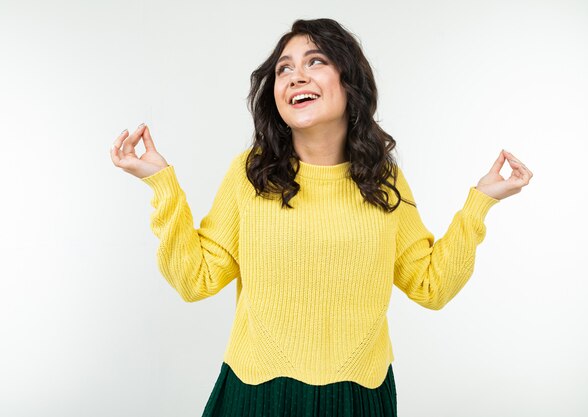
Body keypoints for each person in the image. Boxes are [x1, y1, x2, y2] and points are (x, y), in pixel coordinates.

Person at [110, 17, 532, 417]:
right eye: (284, 69)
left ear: (350, 82)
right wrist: (161, 184)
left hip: (358, 394)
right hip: (258, 392)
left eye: (316, 62)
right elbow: (194, 279)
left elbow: (430, 286)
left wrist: (480, 202)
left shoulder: (383, 180)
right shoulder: (250, 174)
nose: (296, 76)